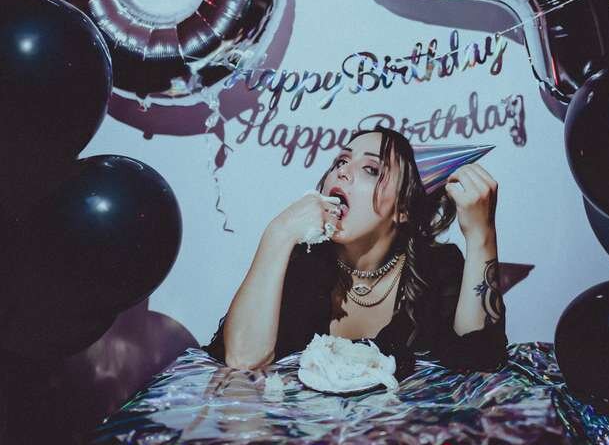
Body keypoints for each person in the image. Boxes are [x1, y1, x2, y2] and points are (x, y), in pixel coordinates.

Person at [202, 126, 507, 376]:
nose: (342, 172)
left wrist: (481, 235)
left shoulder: (438, 269)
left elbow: (481, 362)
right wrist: (278, 234)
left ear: (402, 209)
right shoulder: (303, 266)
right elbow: (243, 359)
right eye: (341, 162)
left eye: (371, 169)